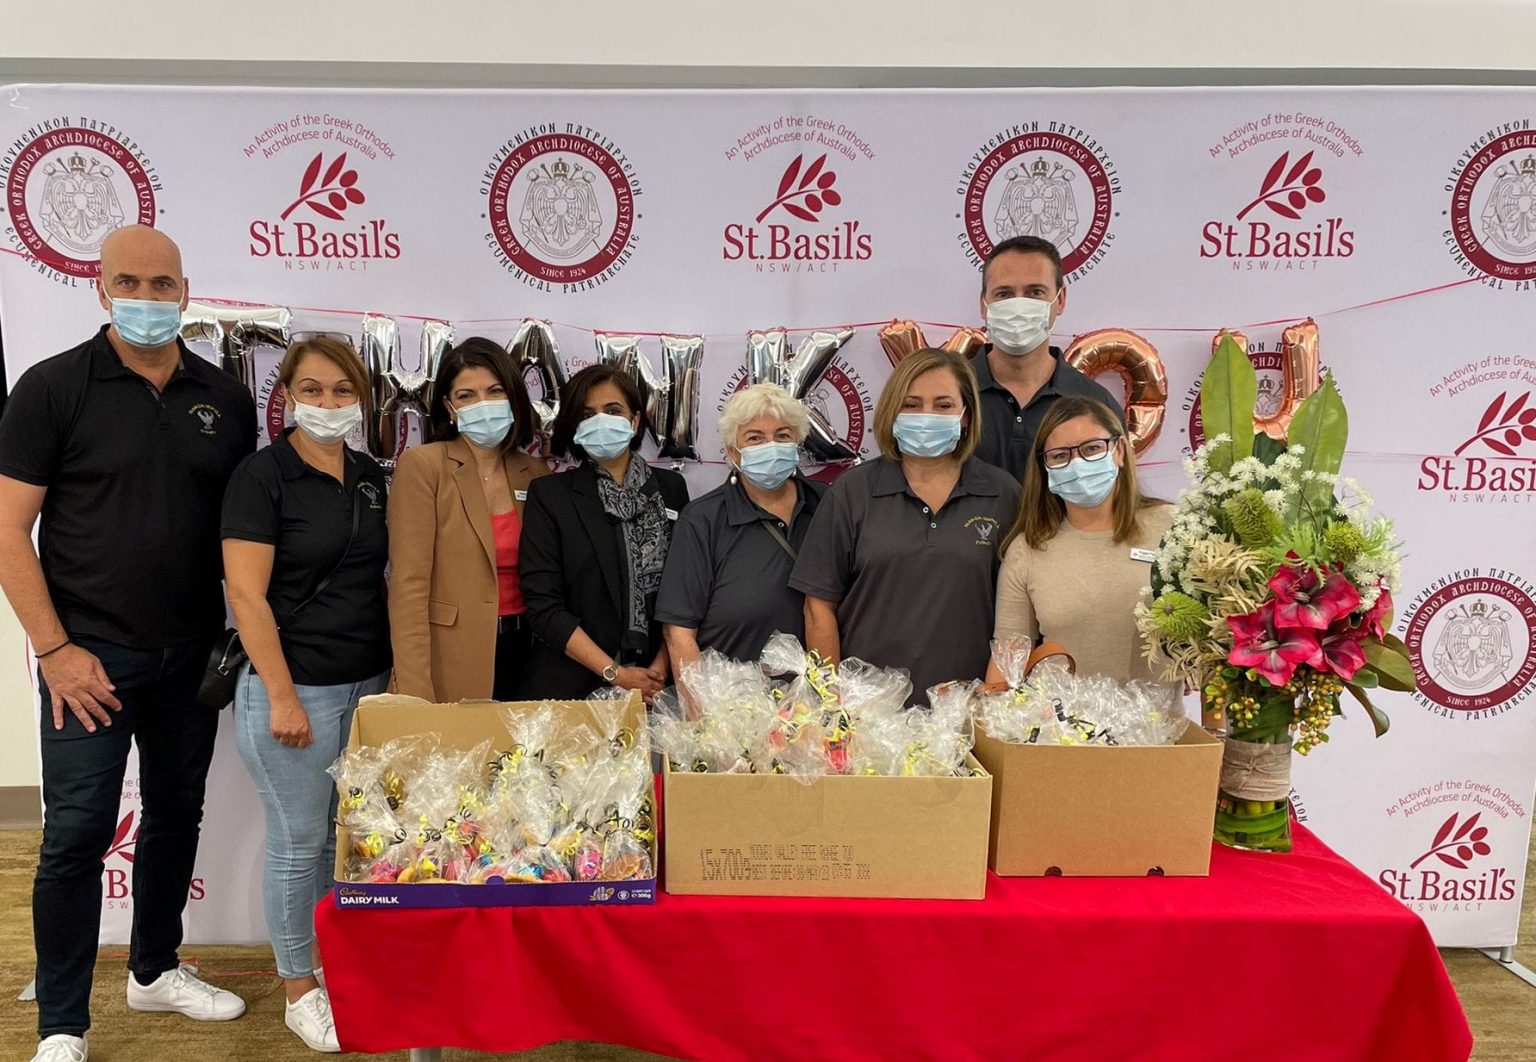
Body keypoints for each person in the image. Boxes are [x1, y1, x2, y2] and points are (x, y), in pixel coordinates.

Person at [0, 226, 253, 1062]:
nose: (148, 299)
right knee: (76, 833)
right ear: (101, 289)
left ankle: (153, 968)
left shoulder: (224, 396)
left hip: (191, 655)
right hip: (88, 660)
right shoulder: (52, 388)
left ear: (186, 289)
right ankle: (63, 1025)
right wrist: (53, 650)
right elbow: (8, 532)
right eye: (129, 283)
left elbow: (246, 534)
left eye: (163, 284)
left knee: (178, 814)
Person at [221, 336, 390, 1052]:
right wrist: (283, 695)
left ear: (363, 400)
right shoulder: (262, 477)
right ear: (285, 396)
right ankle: (298, 986)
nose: (327, 404)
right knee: (296, 845)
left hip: (368, 684)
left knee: (337, 839)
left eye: (342, 391)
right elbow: (246, 596)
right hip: (294, 692)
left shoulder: (371, 475)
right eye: (312, 390)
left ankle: (332, 964)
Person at [790, 348, 1019, 698]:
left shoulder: (1003, 494)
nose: (926, 416)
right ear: (892, 412)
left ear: (967, 416)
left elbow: (1019, 615)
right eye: (911, 404)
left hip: (967, 713)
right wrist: (831, 703)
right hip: (868, 714)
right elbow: (818, 606)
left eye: (943, 405)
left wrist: (993, 704)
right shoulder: (853, 491)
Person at [388, 337, 549, 702]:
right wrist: (414, 691)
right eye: (466, 396)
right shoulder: (424, 466)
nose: (483, 404)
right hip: (451, 657)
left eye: (494, 391)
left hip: (529, 655)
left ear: (514, 398)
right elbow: (408, 588)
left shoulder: (535, 473)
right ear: (448, 406)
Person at [518, 365, 689, 701]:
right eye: (587, 414)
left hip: (659, 687)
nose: (601, 421)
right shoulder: (551, 495)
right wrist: (616, 674)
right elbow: (544, 606)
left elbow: (686, 591)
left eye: (613, 411)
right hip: (574, 688)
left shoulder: (671, 489)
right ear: (574, 426)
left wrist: (661, 668)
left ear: (635, 421)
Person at [990, 396, 1174, 685]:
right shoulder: (1027, 549)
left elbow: (1211, 644)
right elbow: (1008, 658)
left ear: (1120, 451)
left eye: (1092, 449)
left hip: (1158, 727)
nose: (1078, 464)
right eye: (1060, 456)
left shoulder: (1171, 527)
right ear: (1045, 467)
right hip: (1061, 727)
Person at [657, 384, 826, 671]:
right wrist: (706, 711)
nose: (770, 446)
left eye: (782, 435)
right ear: (732, 451)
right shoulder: (702, 520)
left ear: (798, 442)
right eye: (755, 438)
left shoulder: (828, 504)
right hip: (733, 705)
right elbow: (678, 634)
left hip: (818, 702)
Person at [971, 235, 1123, 480]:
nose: (1019, 305)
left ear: (1060, 300)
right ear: (983, 304)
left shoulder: (1096, 402)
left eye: (1035, 293)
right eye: (1004, 294)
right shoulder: (950, 396)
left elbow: (1115, 500)